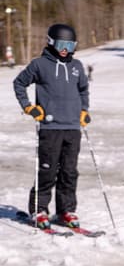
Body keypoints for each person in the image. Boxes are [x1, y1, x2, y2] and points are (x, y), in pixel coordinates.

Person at [13, 23, 91, 230]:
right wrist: (29, 108)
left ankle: (66, 210)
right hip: (50, 128)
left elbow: (83, 90)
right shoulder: (39, 65)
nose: (65, 49)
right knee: (47, 171)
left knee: (69, 172)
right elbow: (19, 83)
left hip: (73, 128)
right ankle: (39, 210)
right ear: (51, 42)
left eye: (70, 44)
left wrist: (84, 110)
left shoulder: (77, 66)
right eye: (61, 44)